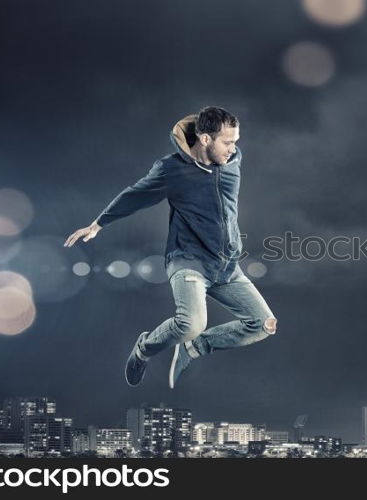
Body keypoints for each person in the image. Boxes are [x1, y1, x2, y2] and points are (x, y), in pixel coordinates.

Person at [64, 106, 277, 389]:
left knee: (263, 324)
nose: (233, 149)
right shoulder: (172, 170)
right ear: (204, 139)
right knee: (191, 324)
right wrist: (98, 224)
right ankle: (144, 349)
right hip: (189, 260)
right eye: (227, 142)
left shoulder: (233, 161)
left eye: (236, 141)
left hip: (226, 265)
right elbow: (135, 195)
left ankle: (194, 349)